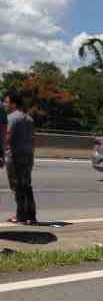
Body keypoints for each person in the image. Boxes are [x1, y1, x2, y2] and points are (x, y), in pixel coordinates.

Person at [3, 92, 36, 225]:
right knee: (26, 186)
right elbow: (34, 139)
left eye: (6, 102)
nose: (4, 104)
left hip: (15, 156)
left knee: (17, 187)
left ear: (13, 104)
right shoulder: (29, 119)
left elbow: (7, 136)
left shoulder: (11, 118)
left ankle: (20, 216)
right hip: (28, 156)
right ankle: (31, 216)